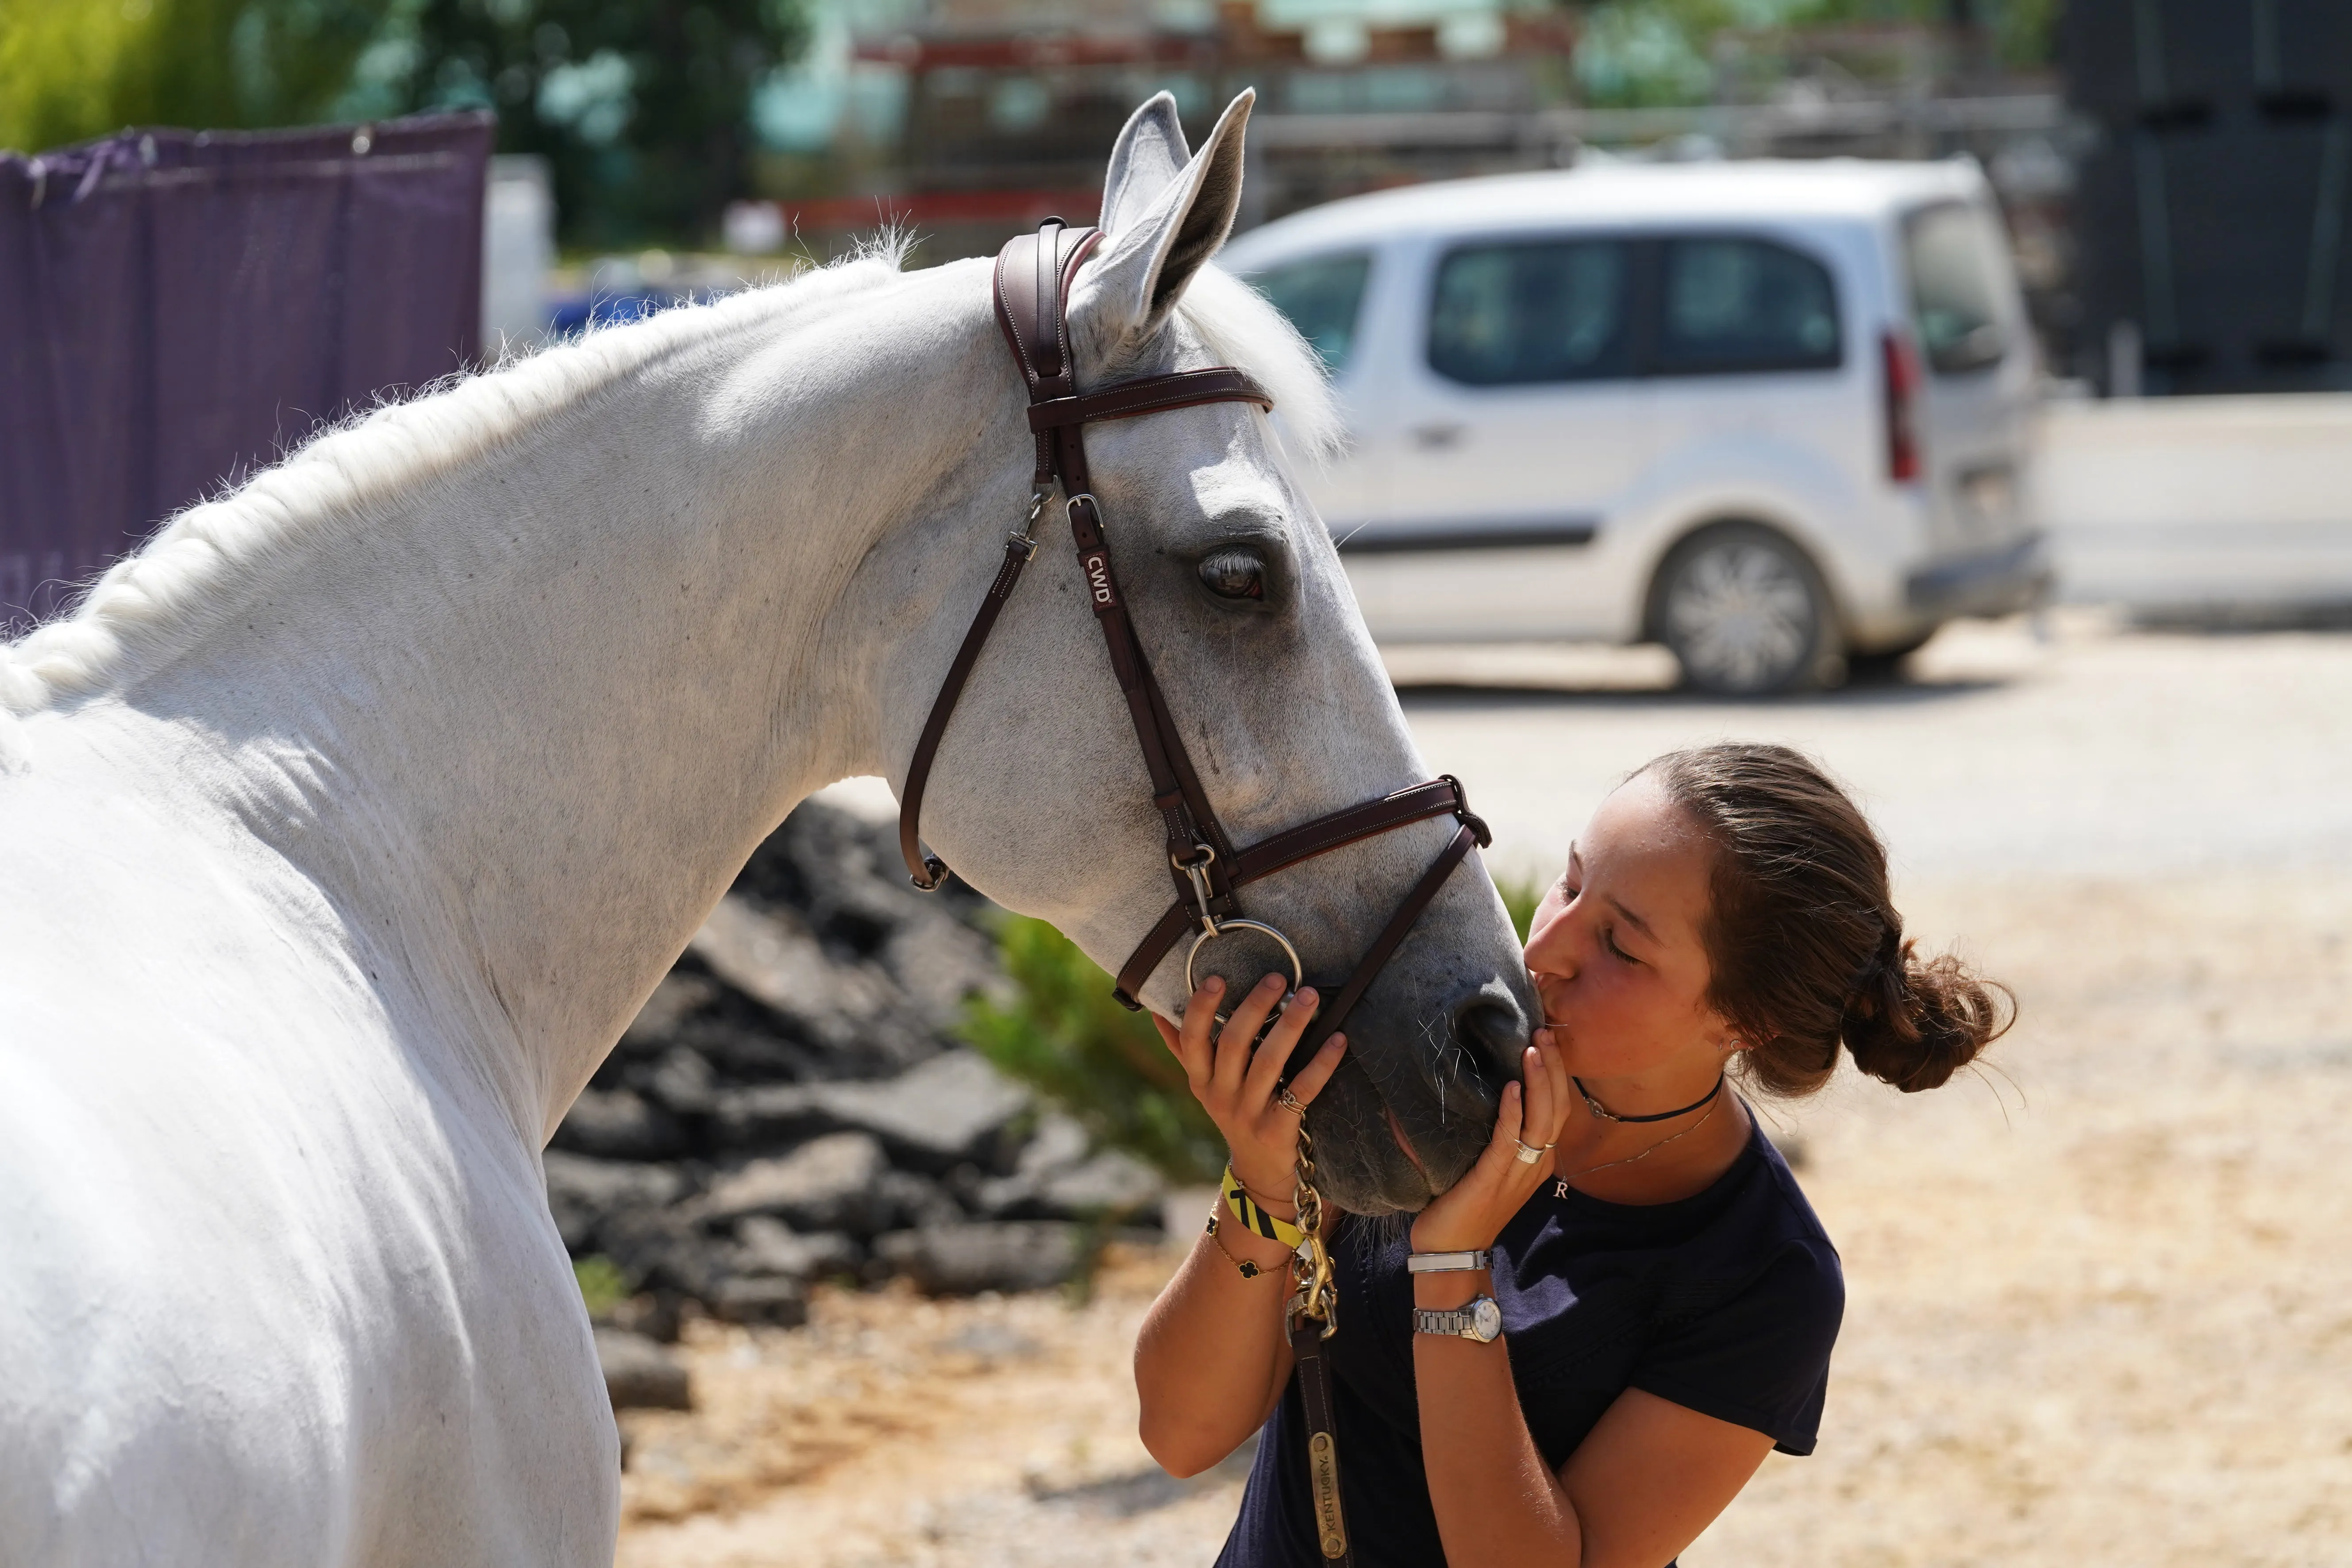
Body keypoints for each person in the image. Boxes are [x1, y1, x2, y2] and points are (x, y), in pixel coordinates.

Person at [1135, 743, 2013, 1568]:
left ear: (1742, 1022)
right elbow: (1180, 1433)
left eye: (1620, 946)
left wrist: (1451, 1265)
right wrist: (1262, 1179)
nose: (1543, 948)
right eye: (1568, 883)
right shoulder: (1430, 1070)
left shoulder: (1765, 1276)